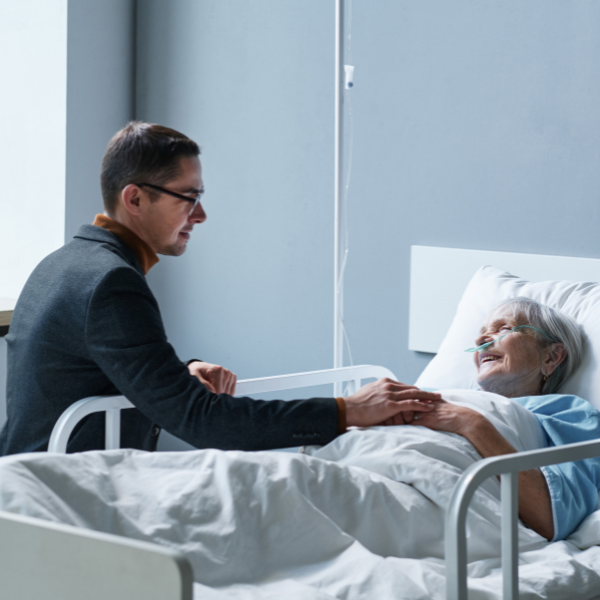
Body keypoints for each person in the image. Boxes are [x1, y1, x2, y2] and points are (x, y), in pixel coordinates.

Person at [0, 122, 439, 456]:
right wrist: (349, 410)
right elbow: (203, 420)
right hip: (61, 505)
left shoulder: (64, 262)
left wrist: (180, 372)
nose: (201, 214)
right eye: (188, 198)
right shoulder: (112, 283)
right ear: (134, 199)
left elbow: (96, 368)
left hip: (23, 481)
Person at [397, 296, 600, 541]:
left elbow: (556, 517)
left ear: (551, 357)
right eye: (482, 332)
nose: (480, 340)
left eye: (504, 328)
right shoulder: (445, 395)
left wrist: (471, 424)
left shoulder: (569, 413)